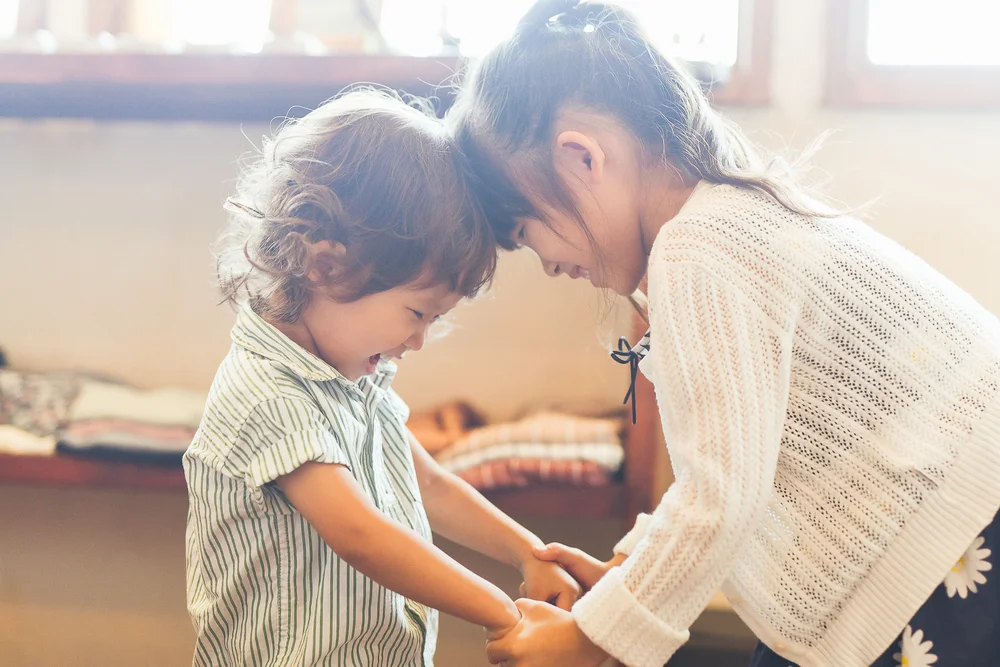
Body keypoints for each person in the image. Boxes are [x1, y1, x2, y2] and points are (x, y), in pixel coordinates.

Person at [448, 2, 1000, 665]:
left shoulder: (696, 250)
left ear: (581, 158)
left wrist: (591, 641)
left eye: (527, 234)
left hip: (959, 535)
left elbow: (719, 497)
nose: (551, 266)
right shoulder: (727, 221)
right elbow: (739, 467)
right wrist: (630, 571)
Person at [183, 89, 580, 666]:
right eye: (417, 313)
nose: (416, 341)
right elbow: (361, 535)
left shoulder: (355, 376)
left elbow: (429, 484)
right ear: (324, 265)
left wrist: (528, 553)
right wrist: (507, 614)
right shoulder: (265, 394)